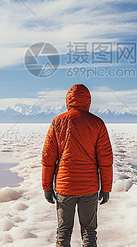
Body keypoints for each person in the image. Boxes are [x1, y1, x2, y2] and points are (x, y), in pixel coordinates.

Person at [42, 84, 113, 247]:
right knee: (89, 232)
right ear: (88, 100)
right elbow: (106, 161)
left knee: (63, 232)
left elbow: (48, 159)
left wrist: (47, 187)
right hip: (89, 188)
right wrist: (106, 188)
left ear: (68, 100)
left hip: (64, 187)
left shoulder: (57, 122)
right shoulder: (97, 123)